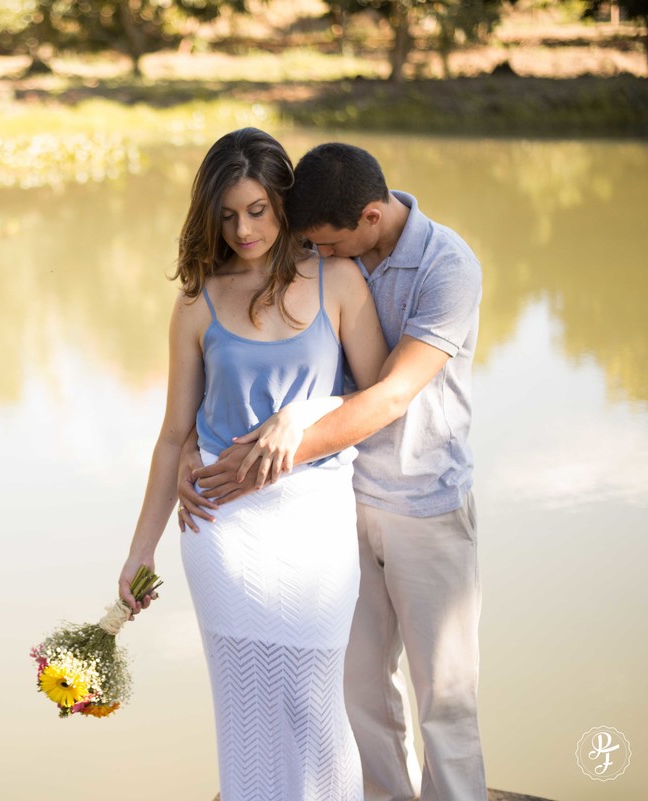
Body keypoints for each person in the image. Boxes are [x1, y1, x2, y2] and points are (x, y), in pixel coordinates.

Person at [177, 142, 486, 801]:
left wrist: (300, 418)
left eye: (325, 242)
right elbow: (258, 358)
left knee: (446, 697)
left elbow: (392, 393)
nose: (316, 253)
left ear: (369, 218)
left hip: (423, 502)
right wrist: (190, 446)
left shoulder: (447, 268)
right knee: (361, 692)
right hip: (340, 503)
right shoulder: (330, 252)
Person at [117, 128, 388, 801]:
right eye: (229, 214)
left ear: (283, 204)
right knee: (243, 707)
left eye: (258, 210)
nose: (243, 228)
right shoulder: (195, 303)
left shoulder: (339, 278)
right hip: (221, 526)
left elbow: (381, 393)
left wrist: (303, 413)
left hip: (313, 520)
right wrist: (139, 551)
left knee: (313, 701)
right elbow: (172, 431)